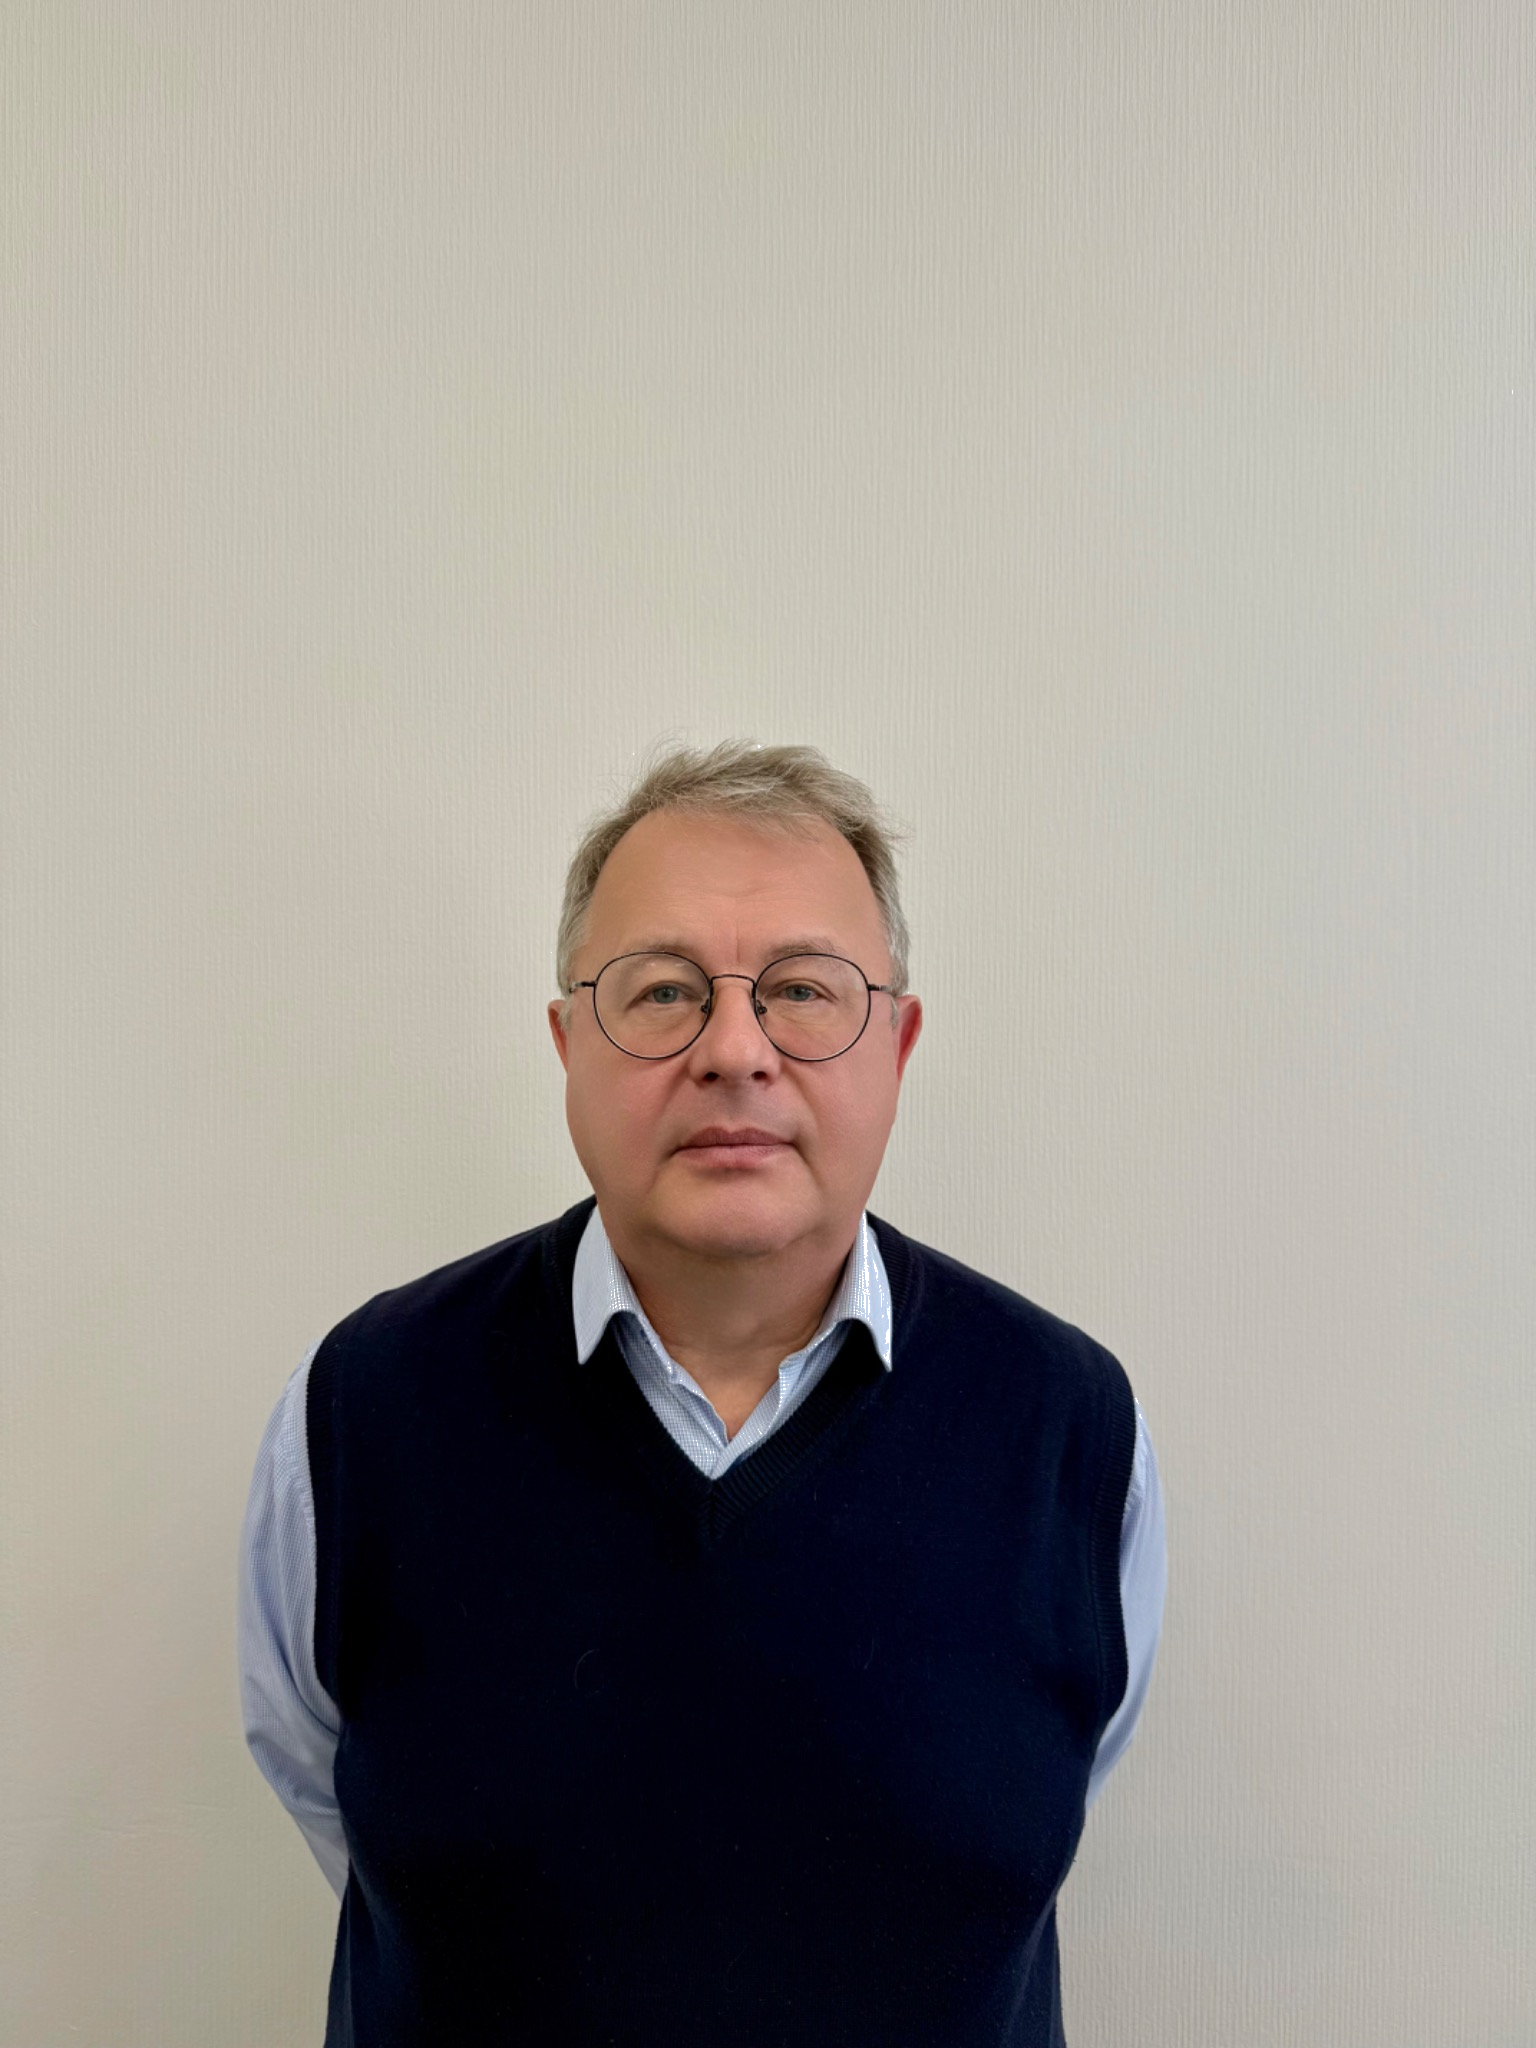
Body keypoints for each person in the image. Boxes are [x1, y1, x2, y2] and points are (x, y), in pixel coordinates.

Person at [238, 738, 1167, 2047]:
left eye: (803, 991)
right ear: (568, 1042)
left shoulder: (1066, 1430)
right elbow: (327, 1793)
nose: (736, 1050)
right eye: (664, 992)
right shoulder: (362, 1412)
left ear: (898, 1044)